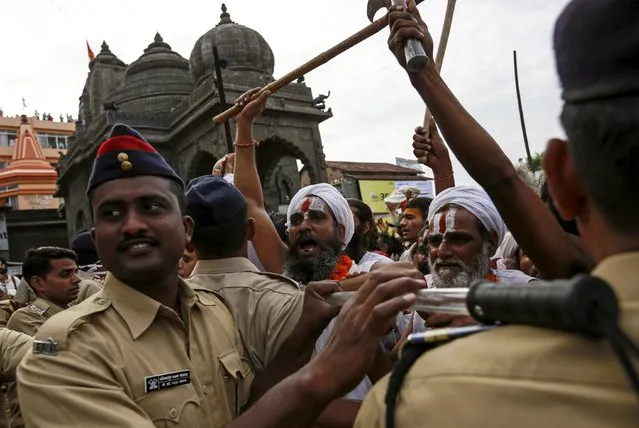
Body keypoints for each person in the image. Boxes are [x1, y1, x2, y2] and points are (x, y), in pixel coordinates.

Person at [355, 0, 639, 426]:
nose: (442, 249)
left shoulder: (415, 401)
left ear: (560, 179)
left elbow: (505, 181)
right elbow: (502, 180)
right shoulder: (421, 307)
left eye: (458, 239)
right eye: (434, 240)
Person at [17, 124, 254, 426]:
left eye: (152, 206)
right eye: (112, 213)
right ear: (96, 238)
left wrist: (301, 339)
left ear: (186, 229)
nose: (131, 226)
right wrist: (311, 383)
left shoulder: (216, 311)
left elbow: (248, 404)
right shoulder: (64, 350)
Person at [6, 247, 81, 336]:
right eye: (65, 274)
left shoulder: (77, 310)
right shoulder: (27, 318)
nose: (77, 279)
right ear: (38, 283)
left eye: (76, 272)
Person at [346, 199, 393, 272]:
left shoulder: (383, 265)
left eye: (348, 220)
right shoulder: (326, 267)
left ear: (365, 227)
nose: (340, 227)